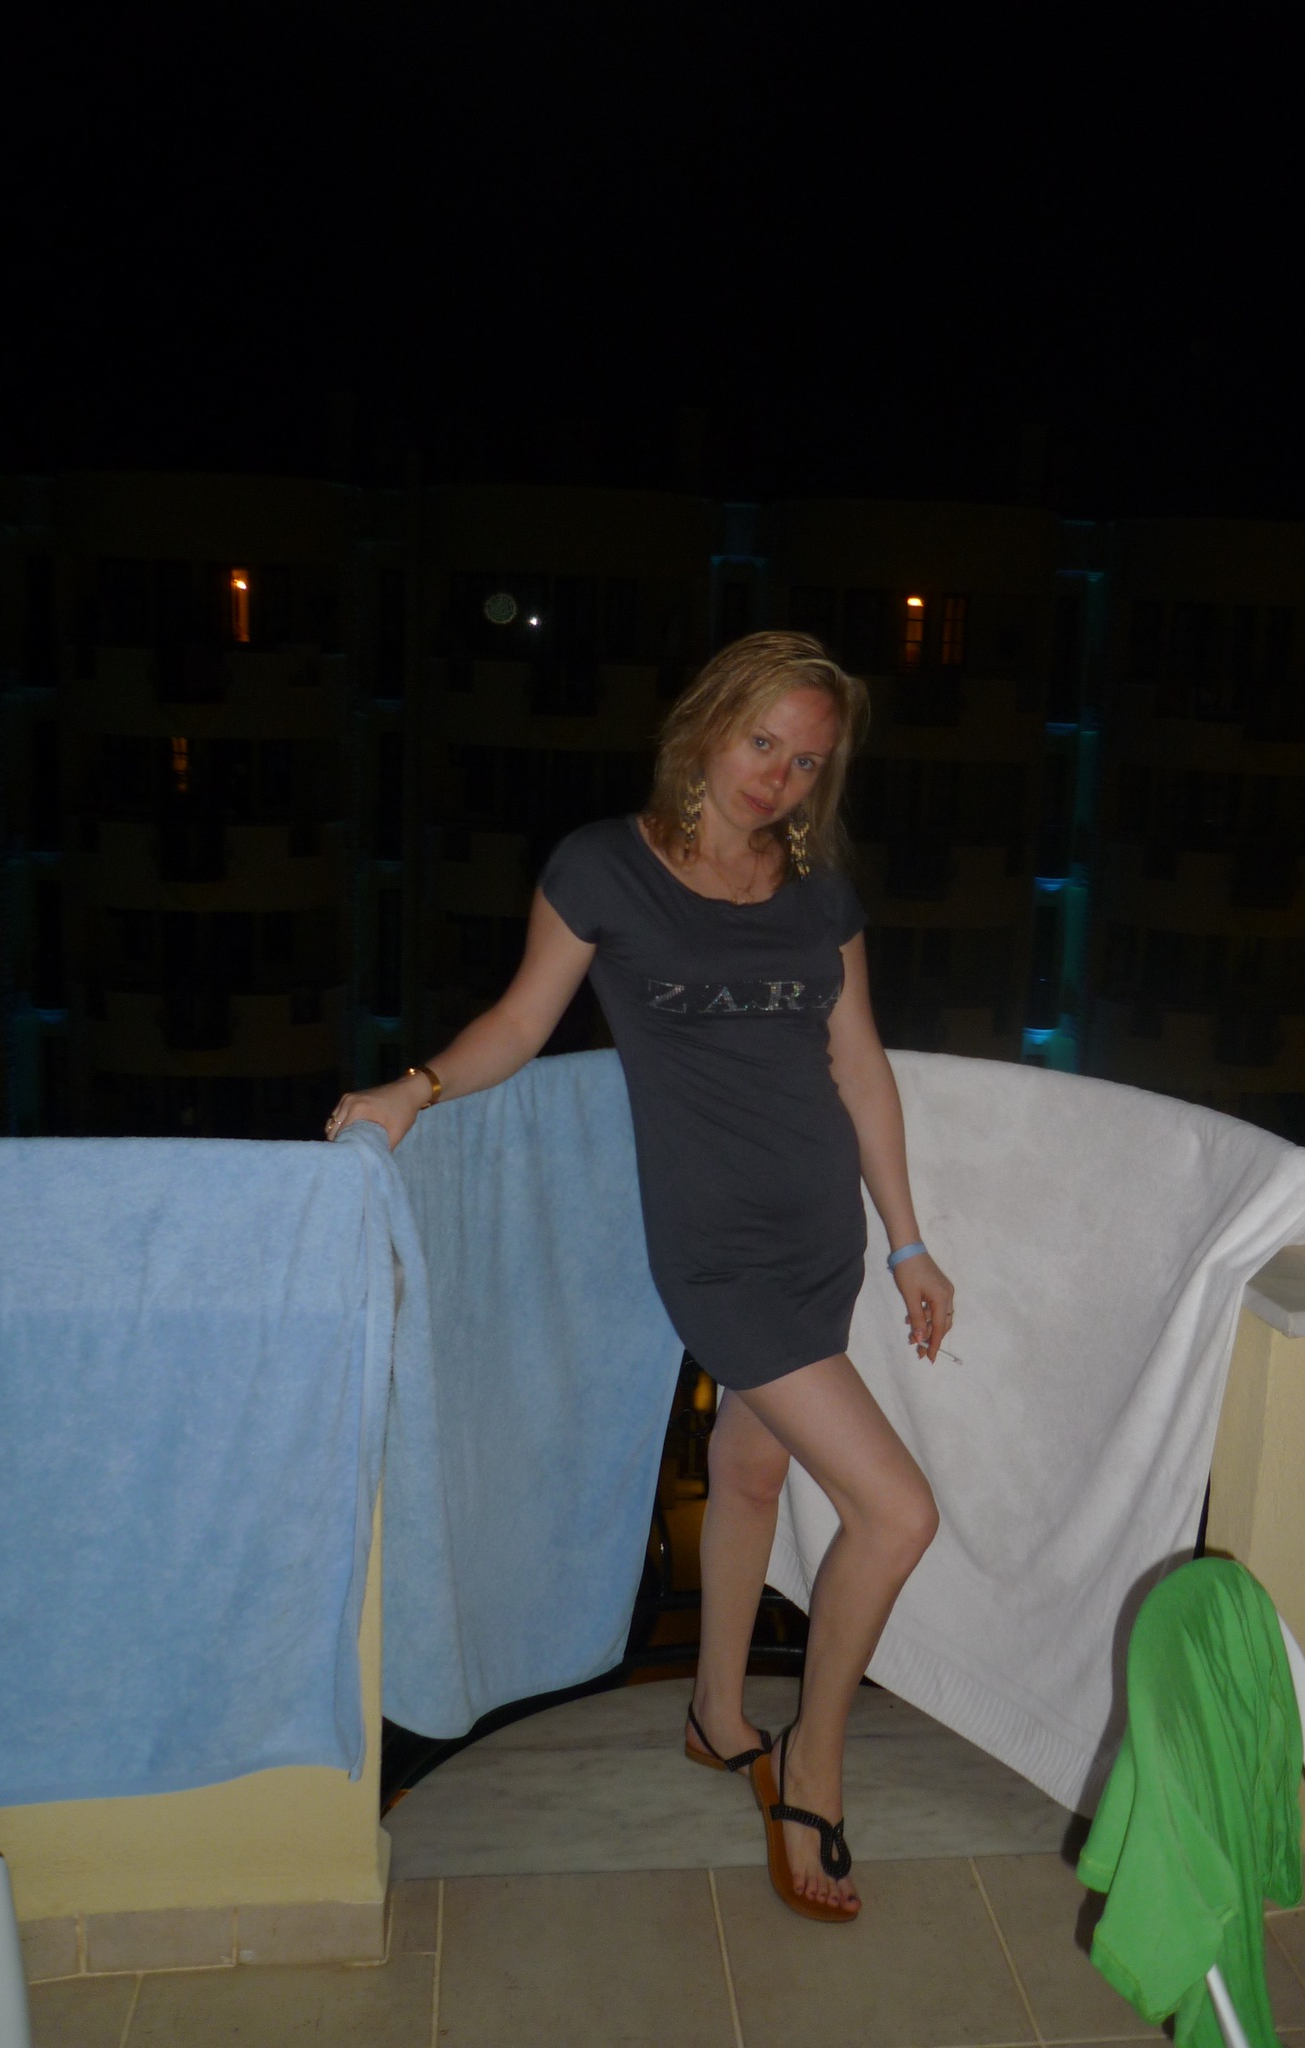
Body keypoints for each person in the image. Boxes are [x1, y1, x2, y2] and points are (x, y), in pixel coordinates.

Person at [325, 631, 953, 1921]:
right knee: (897, 1515)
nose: (777, 776)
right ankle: (813, 1768)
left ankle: (719, 1714)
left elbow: (861, 1068)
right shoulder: (603, 867)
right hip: (717, 1251)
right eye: (762, 742)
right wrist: (415, 1088)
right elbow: (521, 1022)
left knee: (752, 1471)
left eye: (807, 761)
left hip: (819, 1235)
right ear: (708, 725)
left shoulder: (819, 893)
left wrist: (905, 1240)